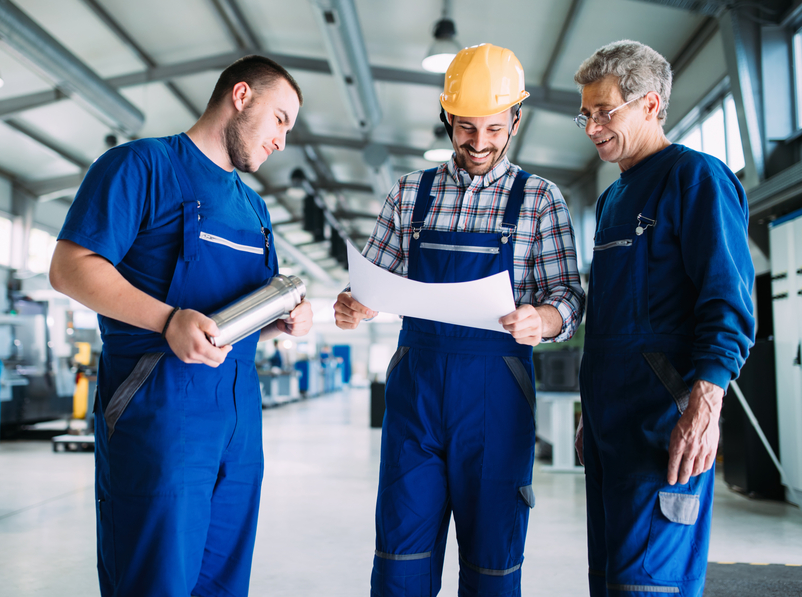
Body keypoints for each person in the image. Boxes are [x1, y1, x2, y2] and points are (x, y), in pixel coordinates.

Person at [49, 55, 314, 597]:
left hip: (239, 424)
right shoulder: (139, 167)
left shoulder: (254, 208)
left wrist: (278, 322)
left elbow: (227, 324)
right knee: (156, 581)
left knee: (222, 583)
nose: (283, 141)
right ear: (241, 96)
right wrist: (167, 320)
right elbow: (69, 268)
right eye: (281, 119)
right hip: (160, 417)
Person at [334, 43, 585, 597]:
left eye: (494, 128)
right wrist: (355, 302)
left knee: (492, 566)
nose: (479, 143)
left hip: (496, 399)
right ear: (447, 117)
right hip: (416, 399)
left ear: (515, 120)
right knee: (401, 560)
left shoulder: (541, 200)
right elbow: (374, 280)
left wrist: (541, 320)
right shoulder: (409, 193)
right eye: (465, 128)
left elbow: (569, 295)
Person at [571, 40, 755, 597]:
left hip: (664, 427)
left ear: (650, 105)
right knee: (607, 581)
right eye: (586, 114)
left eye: (605, 112)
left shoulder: (696, 178)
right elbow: (605, 320)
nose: (592, 127)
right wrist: (589, 413)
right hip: (609, 429)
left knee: (651, 586)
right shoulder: (611, 200)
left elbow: (727, 298)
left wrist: (707, 403)